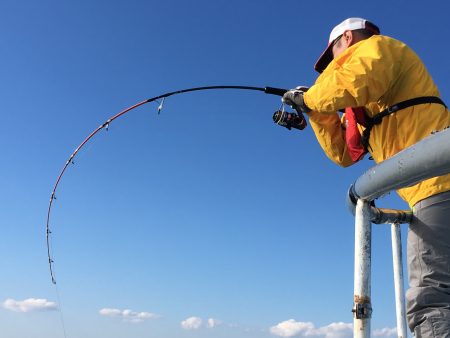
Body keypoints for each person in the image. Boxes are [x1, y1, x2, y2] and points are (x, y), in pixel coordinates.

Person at [282, 17, 450, 337]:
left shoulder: (379, 49)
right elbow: (343, 155)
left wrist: (311, 96)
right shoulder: (369, 97)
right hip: (430, 191)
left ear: (347, 38)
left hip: (438, 186)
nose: (332, 63)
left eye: (333, 54)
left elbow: (349, 83)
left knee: (432, 303)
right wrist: (315, 112)